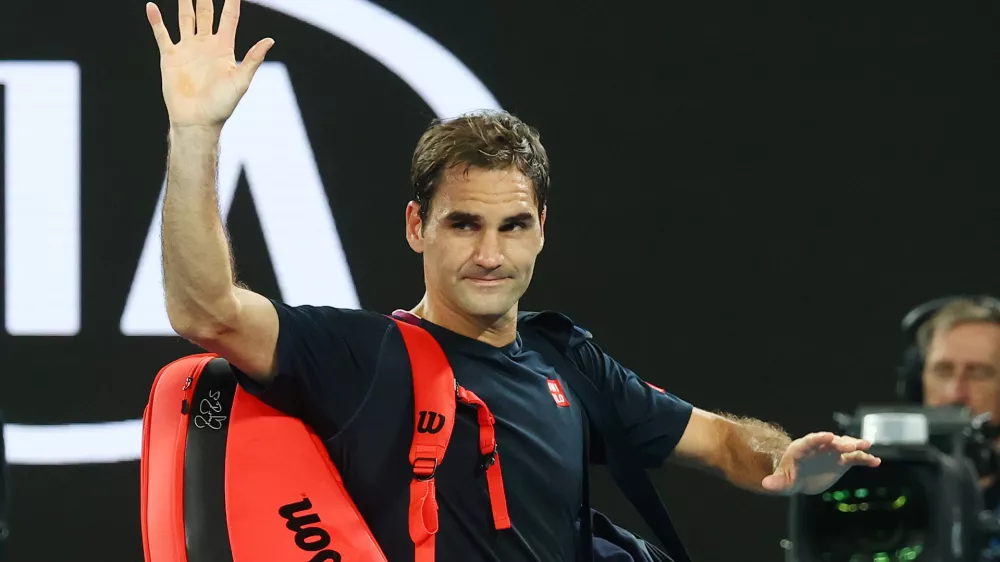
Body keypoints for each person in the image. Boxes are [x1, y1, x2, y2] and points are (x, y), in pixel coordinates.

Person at [144, 0, 881, 559]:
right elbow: (205, 309)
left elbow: (725, 444)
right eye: (464, 224)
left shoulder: (566, 358)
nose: (491, 253)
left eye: (513, 226)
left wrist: (783, 460)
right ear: (415, 227)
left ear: (541, 230)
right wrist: (196, 132)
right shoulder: (361, 358)